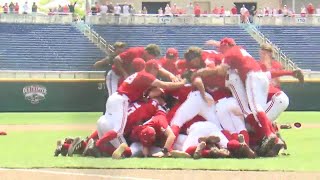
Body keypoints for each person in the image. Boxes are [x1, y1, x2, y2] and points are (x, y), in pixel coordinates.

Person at [96, 60, 186, 159]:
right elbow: (165, 85)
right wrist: (182, 83)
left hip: (116, 99)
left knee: (108, 126)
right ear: (152, 68)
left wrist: (170, 76)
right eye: (156, 70)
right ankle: (98, 145)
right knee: (118, 130)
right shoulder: (147, 78)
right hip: (122, 101)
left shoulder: (140, 75)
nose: (157, 73)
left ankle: (94, 145)